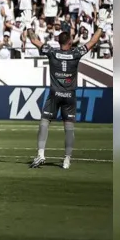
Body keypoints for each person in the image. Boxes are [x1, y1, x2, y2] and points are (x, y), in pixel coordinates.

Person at [27, 25, 105, 169]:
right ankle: (67, 159)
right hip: (70, 95)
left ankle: (41, 153)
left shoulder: (51, 52)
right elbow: (93, 41)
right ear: (69, 42)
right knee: (69, 127)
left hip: (54, 94)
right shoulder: (76, 53)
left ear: (59, 42)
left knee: (44, 122)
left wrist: (28, 27)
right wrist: (100, 26)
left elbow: (33, 40)